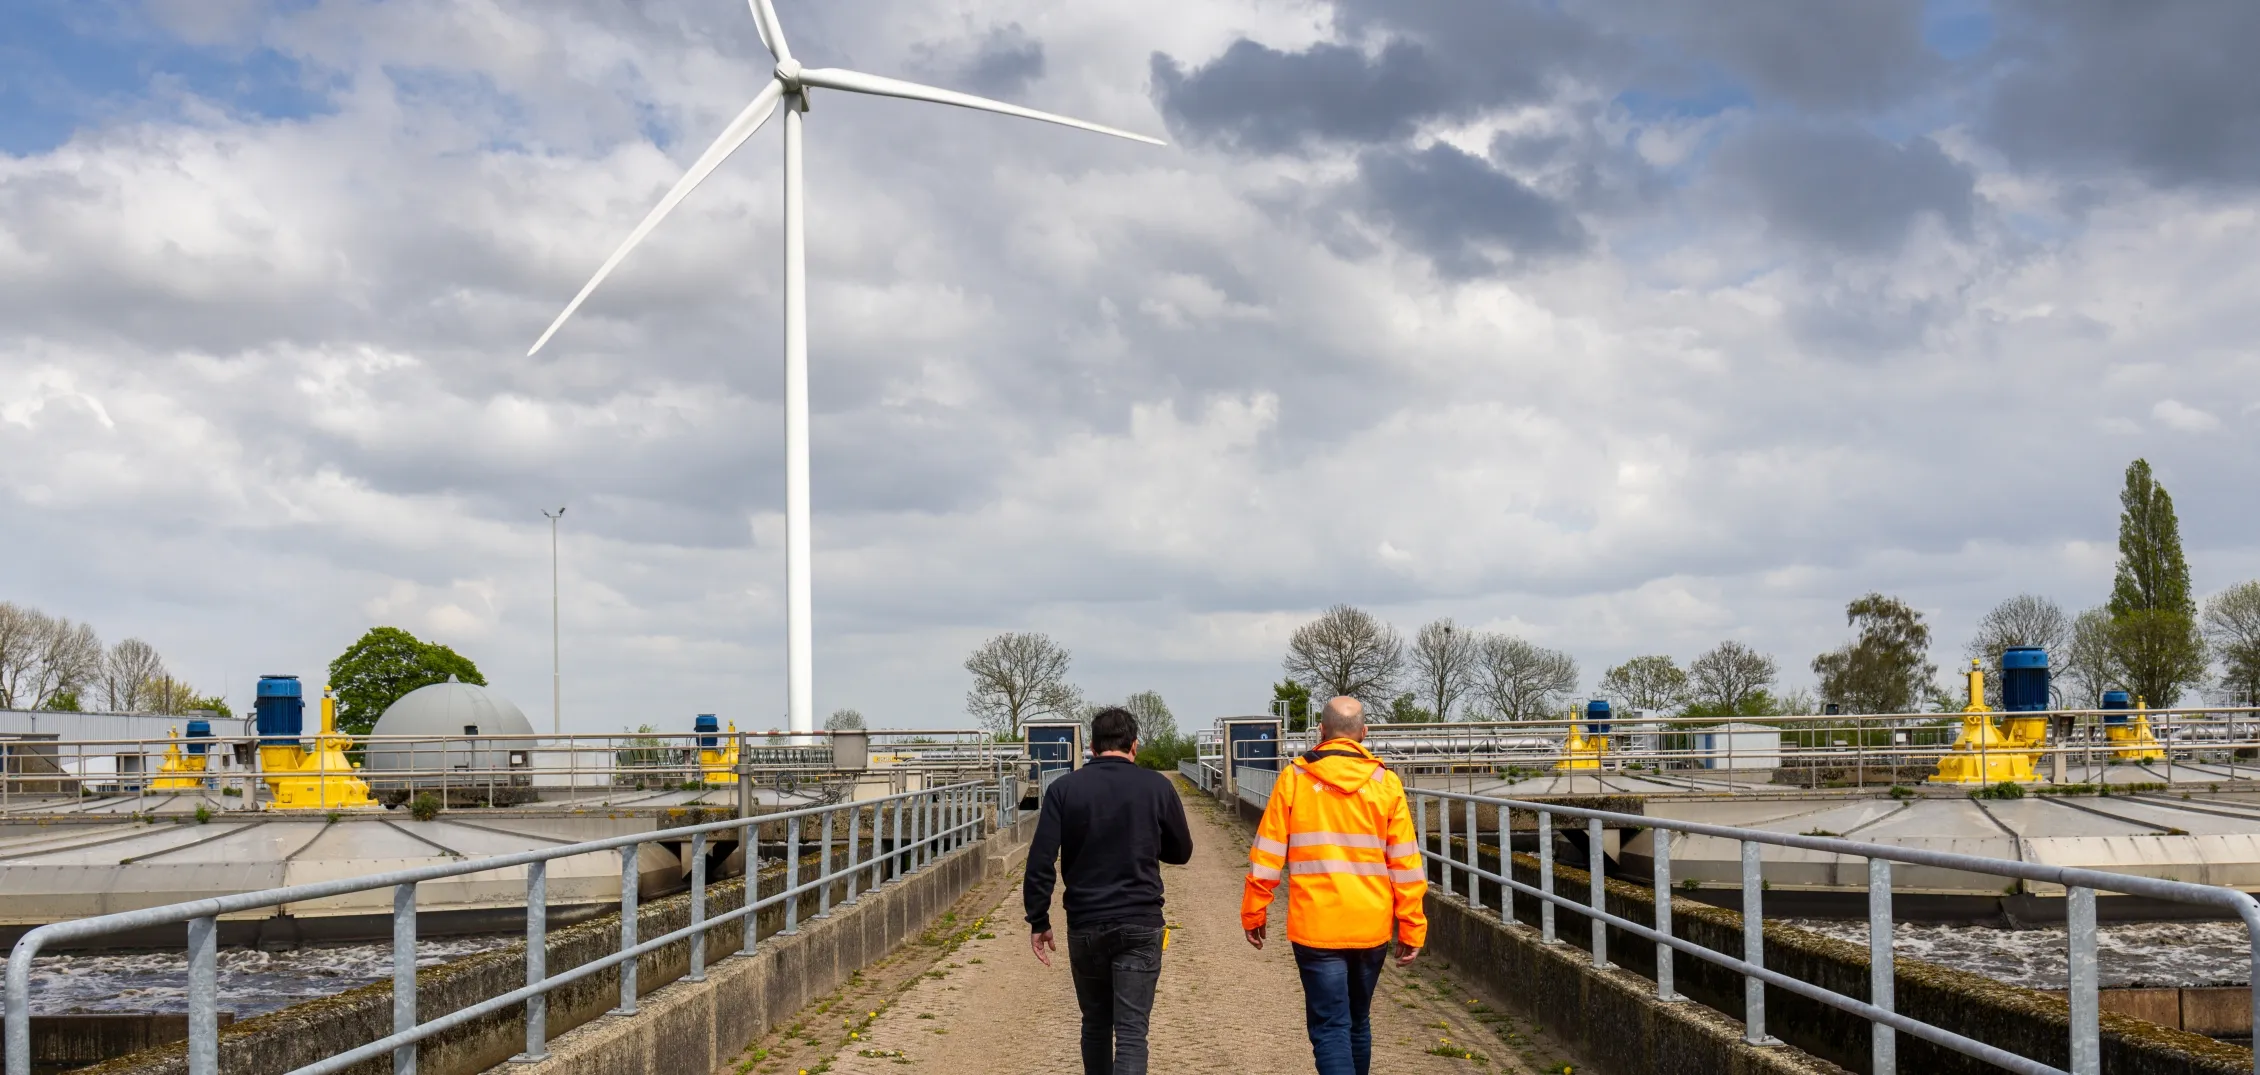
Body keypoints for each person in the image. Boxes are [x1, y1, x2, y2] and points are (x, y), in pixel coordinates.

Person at [1242, 696, 1427, 1075]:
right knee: (1358, 1022)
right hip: (1370, 925)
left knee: (1331, 1029)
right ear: (1364, 733)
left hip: (1317, 926)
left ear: (1321, 732)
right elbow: (1406, 864)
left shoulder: (1294, 778)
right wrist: (1411, 924)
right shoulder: (1387, 783)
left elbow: (1267, 853)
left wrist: (1254, 910)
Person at [1023, 707, 1195, 1075]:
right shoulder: (1157, 787)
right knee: (1132, 1034)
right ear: (1134, 745)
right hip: (1141, 923)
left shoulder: (1064, 789)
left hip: (1086, 925)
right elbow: (1181, 852)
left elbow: (1040, 860)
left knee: (1096, 1025)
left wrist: (1038, 919)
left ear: (1093, 747)